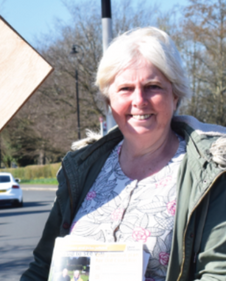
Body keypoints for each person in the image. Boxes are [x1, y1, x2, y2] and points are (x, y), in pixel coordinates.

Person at [21, 27, 226, 281]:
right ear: (109, 101)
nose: (139, 100)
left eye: (153, 86)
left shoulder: (210, 173)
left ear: (176, 95)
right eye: (126, 88)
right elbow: (43, 266)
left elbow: (218, 273)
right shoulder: (83, 167)